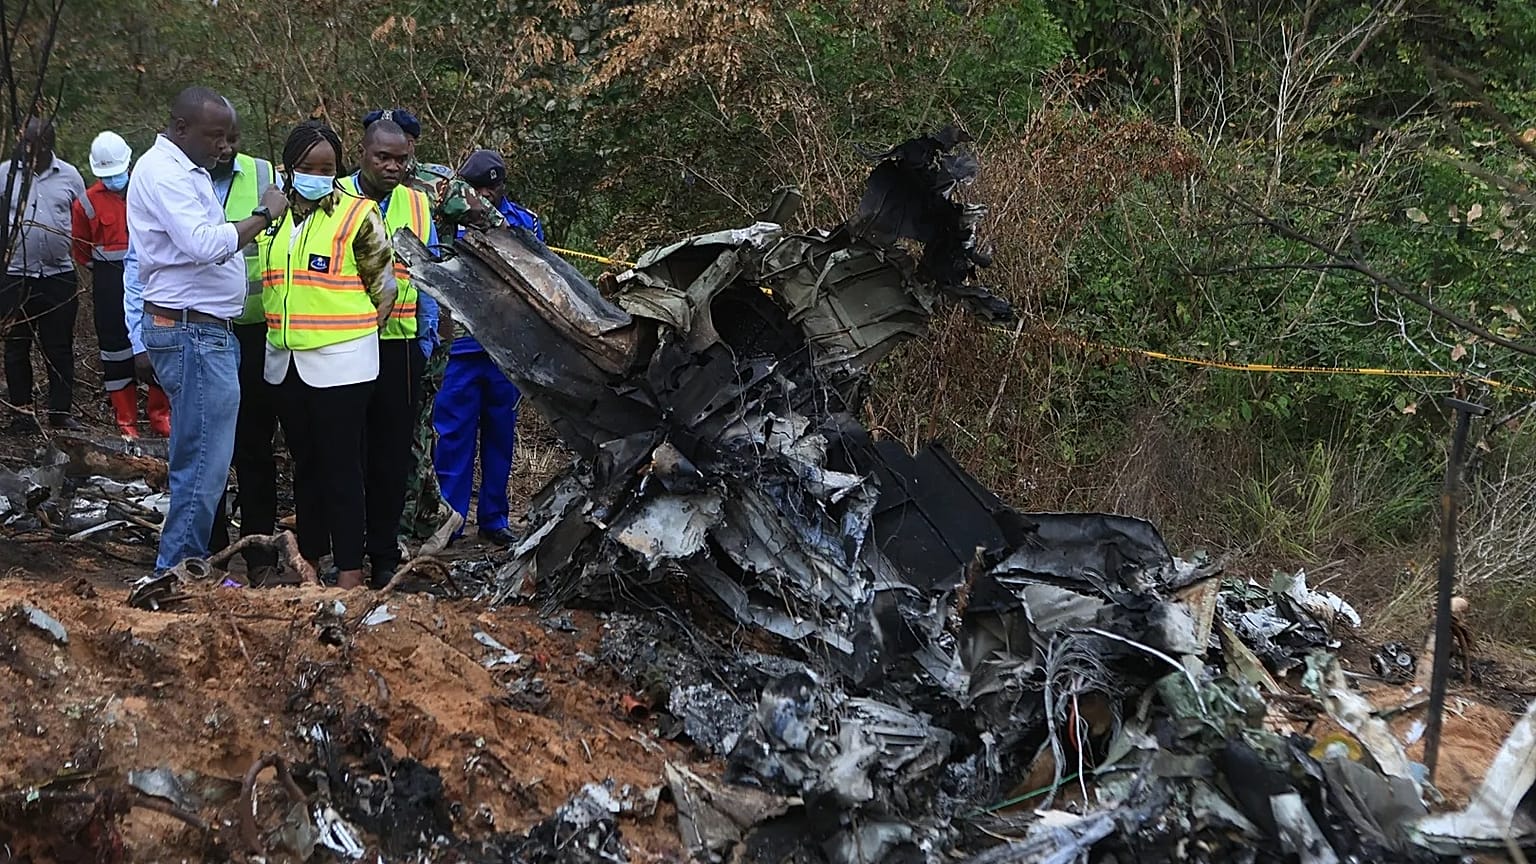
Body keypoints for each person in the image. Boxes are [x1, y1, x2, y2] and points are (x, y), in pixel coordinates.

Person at [126, 86, 289, 574]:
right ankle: (176, 573)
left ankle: (185, 569)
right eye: (214, 136)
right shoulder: (163, 173)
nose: (224, 146)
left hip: (202, 331)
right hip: (191, 333)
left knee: (203, 460)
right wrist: (263, 215)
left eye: (226, 137)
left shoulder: (186, 170)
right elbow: (202, 244)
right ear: (180, 129)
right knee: (203, 464)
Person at [262, 121, 396, 590]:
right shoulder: (274, 216)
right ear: (289, 168)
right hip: (285, 363)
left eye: (327, 167)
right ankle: (310, 562)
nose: (318, 174)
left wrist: (354, 334)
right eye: (307, 167)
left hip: (343, 363)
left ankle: (351, 572)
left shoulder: (357, 215)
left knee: (342, 467)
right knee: (307, 466)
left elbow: (385, 288)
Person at [340, 117, 437, 586]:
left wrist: (427, 334)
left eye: (402, 159)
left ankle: (383, 556)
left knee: (392, 457)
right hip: (340, 344)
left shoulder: (418, 204)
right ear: (363, 153)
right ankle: (345, 554)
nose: (394, 166)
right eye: (384, 157)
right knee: (345, 453)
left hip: (399, 346)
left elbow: (431, 273)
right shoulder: (334, 196)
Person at [434, 149, 542, 547]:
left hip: (505, 351)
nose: (485, 196)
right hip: (460, 349)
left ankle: (494, 519)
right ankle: (452, 519)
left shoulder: (524, 223)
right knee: (453, 435)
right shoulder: (443, 219)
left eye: (491, 188)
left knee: (501, 436)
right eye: (477, 188)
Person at [71, 131, 168, 438]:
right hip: (109, 279)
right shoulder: (86, 202)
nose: (114, 180)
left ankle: (160, 416)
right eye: (108, 175)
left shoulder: (148, 188)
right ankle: (126, 421)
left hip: (150, 276)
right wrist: (105, 271)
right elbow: (80, 248)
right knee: (115, 349)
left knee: (157, 340)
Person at [1, 118, 86, 431]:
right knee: (15, 345)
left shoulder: (70, 176)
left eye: (36, 146)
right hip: (14, 276)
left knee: (59, 346)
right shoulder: (5, 174)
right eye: (25, 146)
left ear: (50, 144)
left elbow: (83, 216)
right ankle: (22, 413)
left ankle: (60, 412)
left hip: (58, 276)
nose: (29, 152)